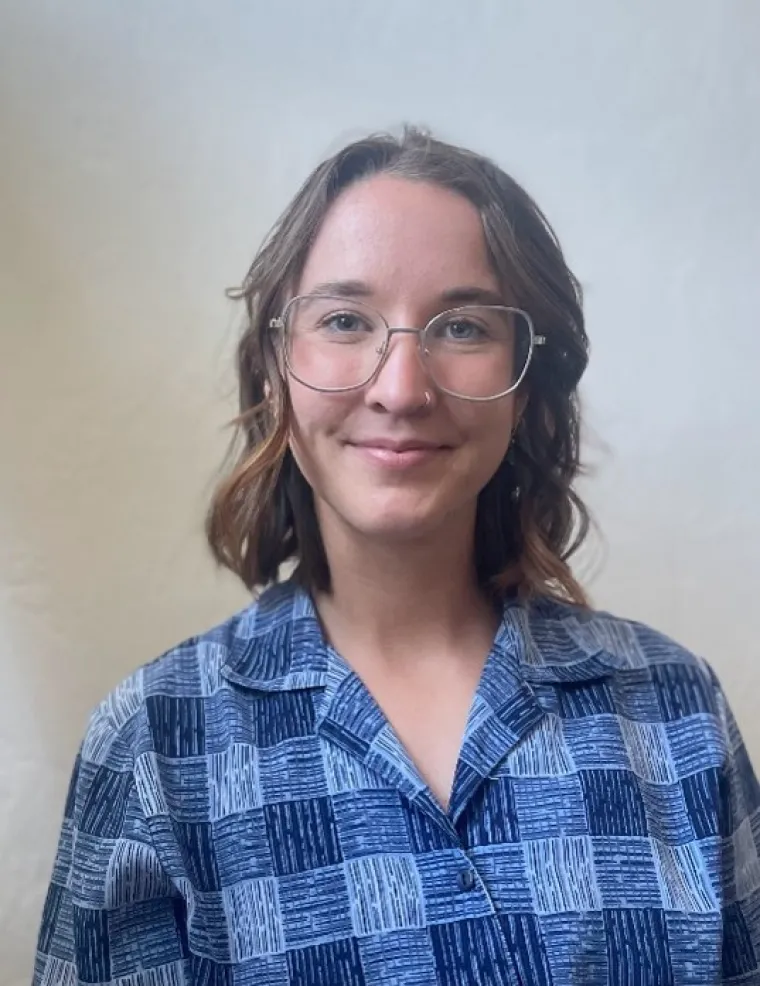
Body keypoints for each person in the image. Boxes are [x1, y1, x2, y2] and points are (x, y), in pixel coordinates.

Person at [33, 128, 760, 986]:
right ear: (276, 369)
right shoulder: (157, 741)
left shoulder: (674, 713)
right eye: (345, 320)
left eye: (461, 326)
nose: (402, 388)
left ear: (526, 384)